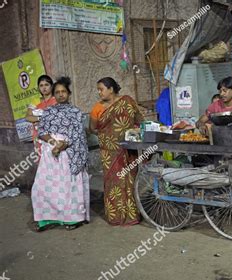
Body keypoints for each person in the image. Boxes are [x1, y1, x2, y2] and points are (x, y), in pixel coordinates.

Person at [31, 77, 89, 232]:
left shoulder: (76, 112)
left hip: (69, 154)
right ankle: (47, 218)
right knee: (42, 187)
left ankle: (73, 219)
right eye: (57, 92)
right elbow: (42, 132)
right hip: (50, 156)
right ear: (54, 94)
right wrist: (53, 143)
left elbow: (78, 135)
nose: (61, 94)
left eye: (64, 91)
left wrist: (63, 145)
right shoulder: (48, 112)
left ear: (69, 94)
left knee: (68, 187)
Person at [93, 77, 144, 226]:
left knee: (130, 180)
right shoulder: (98, 107)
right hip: (109, 152)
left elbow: (139, 120)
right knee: (113, 182)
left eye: (101, 89)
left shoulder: (127, 101)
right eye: (98, 90)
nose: (99, 92)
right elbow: (93, 127)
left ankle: (132, 215)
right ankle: (116, 216)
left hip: (128, 148)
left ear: (111, 89)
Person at [25, 75, 57, 156]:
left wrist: (36, 118)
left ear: (51, 86)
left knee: (55, 159)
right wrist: (41, 118)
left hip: (53, 135)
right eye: (41, 85)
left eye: (46, 85)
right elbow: (28, 117)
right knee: (42, 159)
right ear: (39, 88)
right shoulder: (35, 101)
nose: (44, 88)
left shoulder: (56, 100)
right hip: (38, 135)